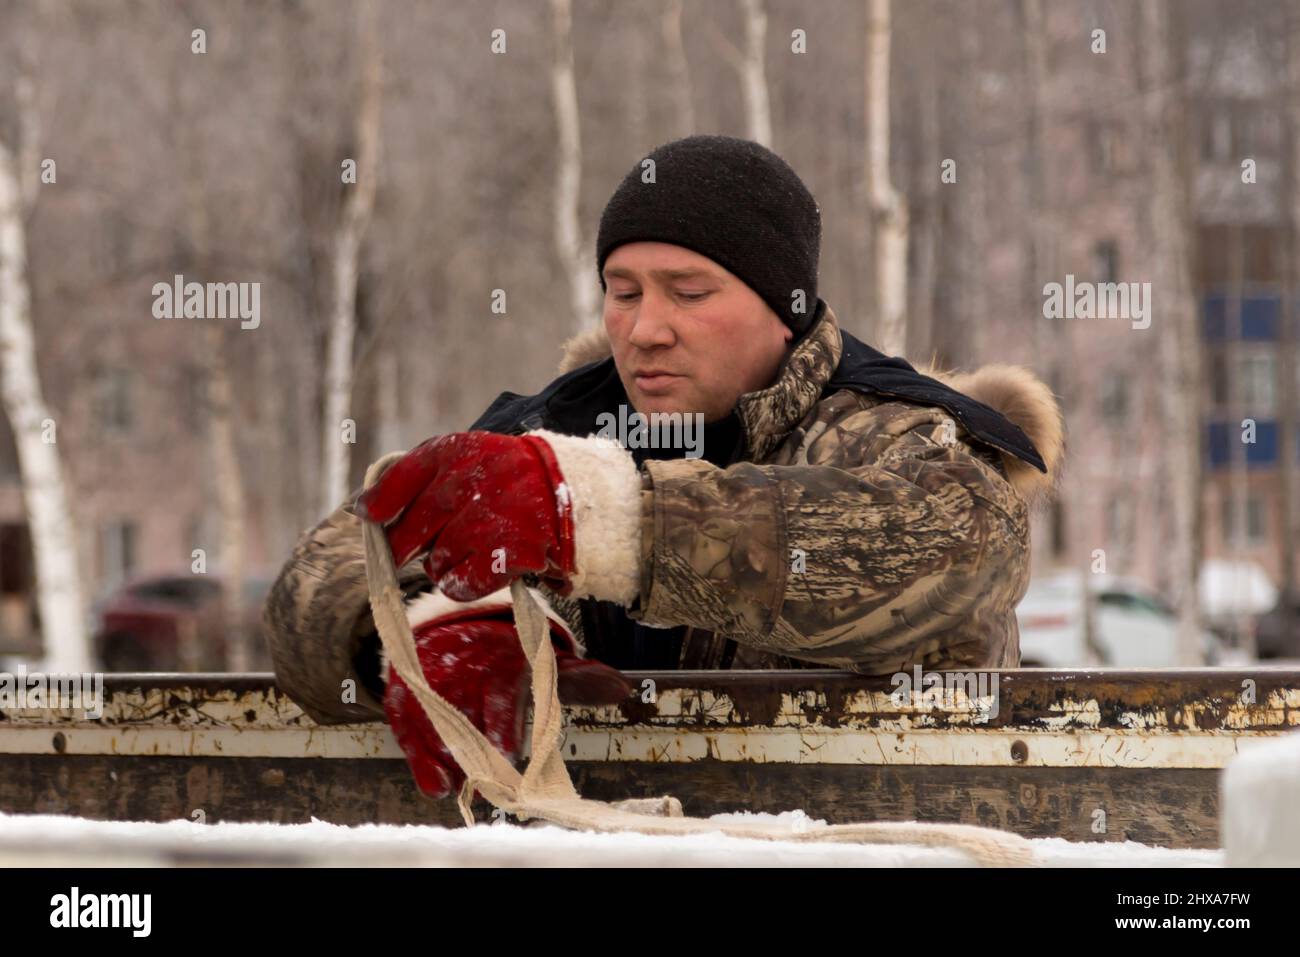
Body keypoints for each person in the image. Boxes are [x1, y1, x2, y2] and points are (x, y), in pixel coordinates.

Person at [263, 134, 1064, 799]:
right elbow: (318, 583)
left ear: (782, 312)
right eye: (622, 290)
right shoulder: (551, 431)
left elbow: (962, 542)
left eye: (688, 291)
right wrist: (424, 625)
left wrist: (603, 523)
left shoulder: (893, 433)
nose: (644, 328)